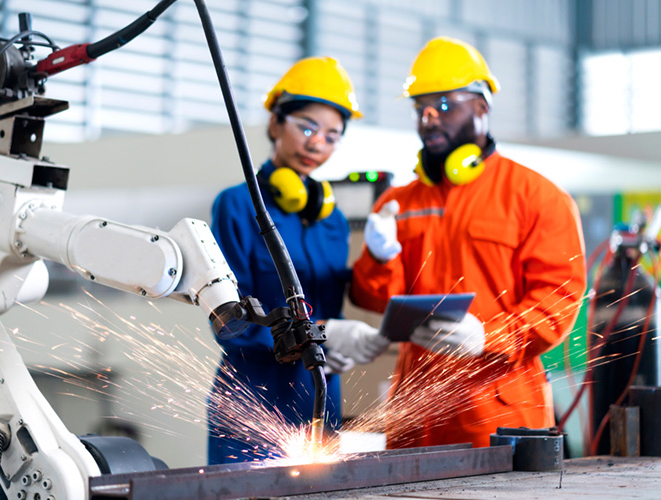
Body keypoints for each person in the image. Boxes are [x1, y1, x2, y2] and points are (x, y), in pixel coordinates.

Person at [350, 37, 587, 449]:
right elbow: (373, 299)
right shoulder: (398, 203)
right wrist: (378, 256)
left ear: (482, 106)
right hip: (415, 412)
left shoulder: (537, 196)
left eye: (443, 105)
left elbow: (558, 299)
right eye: (419, 107)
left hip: (498, 413)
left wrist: (489, 337)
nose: (428, 119)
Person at [207, 57, 390, 464]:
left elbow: (332, 309)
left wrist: (338, 341)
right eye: (306, 127)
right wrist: (317, 334)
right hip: (251, 404)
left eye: (331, 136)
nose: (316, 144)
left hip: (318, 401)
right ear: (275, 124)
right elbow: (228, 323)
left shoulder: (333, 220)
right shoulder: (237, 205)